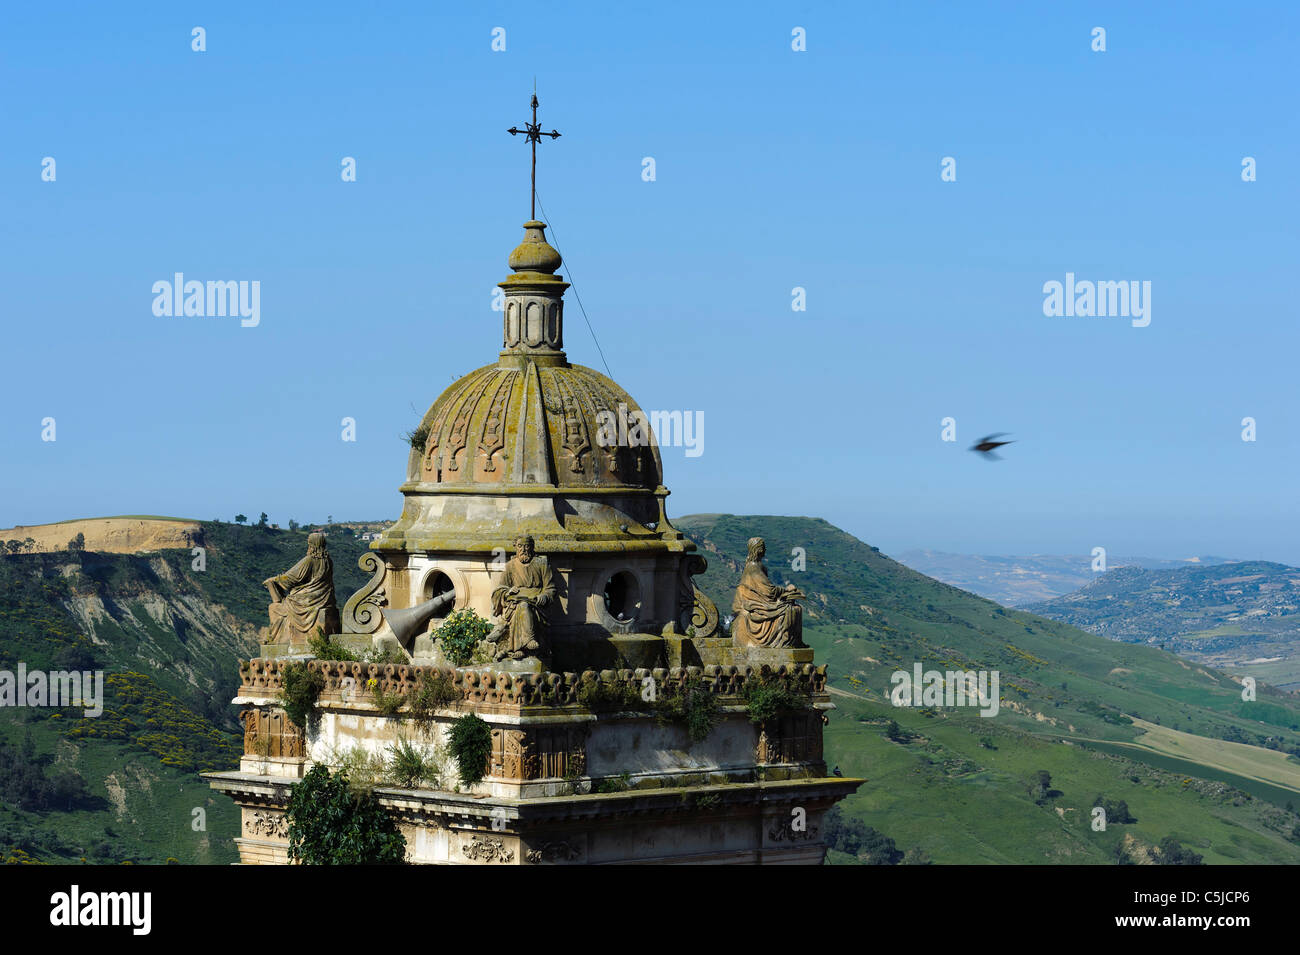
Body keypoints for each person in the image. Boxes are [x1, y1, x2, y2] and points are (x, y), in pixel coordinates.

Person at [263, 532, 340, 646]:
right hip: (325, 598)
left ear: (311, 544)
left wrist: (274, 579)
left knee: (274, 607)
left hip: (310, 599)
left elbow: (290, 578)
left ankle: (275, 639)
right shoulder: (328, 561)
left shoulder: (309, 560)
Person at [489, 535, 555, 660]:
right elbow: (499, 590)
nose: (523, 549)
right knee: (522, 605)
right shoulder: (510, 566)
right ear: (516, 548)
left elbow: (550, 588)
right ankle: (528, 641)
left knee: (524, 606)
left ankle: (516, 647)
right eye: (520, 546)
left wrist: (544, 596)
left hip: (536, 604)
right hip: (515, 602)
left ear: (532, 547)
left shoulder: (541, 564)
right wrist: (508, 591)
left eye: (527, 546)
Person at [731, 537, 804, 648]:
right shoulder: (753, 567)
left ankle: (793, 642)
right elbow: (768, 590)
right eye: (763, 547)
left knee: (796, 608)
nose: (765, 549)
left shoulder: (758, 566)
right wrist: (786, 590)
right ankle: (785, 641)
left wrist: (784, 592)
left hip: (762, 600)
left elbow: (766, 589)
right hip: (758, 604)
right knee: (790, 609)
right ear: (759, 549)